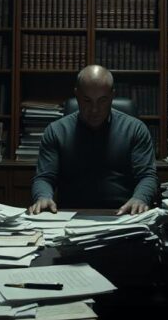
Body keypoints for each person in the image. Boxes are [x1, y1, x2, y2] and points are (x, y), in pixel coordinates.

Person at [28, 65, 158, 216]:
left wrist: (140, 198)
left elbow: (147, 176)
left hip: (122, 215)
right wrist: (43, 197)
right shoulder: (56, 131)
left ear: (112, 96)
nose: (95, 110)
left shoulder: (135, 129)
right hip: (70, 216)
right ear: (76, 95)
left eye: (102, 100)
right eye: (87, 101)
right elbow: (45, 177)